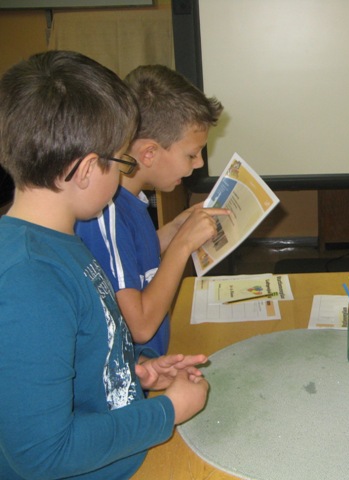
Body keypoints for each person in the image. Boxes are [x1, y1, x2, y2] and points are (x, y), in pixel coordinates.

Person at [0, 50, 209, 479]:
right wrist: (167, 411)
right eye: (119, 162)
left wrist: (135, 373)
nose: (121, 177)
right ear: (84, 170)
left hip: (121, 451)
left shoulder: (61, 240)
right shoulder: (29, 279)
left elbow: (83, 351)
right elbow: (43, 455)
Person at [75, 64, 229, 357]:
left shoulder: (130, 200)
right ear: (149, 153)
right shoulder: (106, 213)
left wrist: (175, 229)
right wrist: (182, 245)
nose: (198, 163)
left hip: (152, 361)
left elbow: (129, 260)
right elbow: (141, 327)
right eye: (191, 154)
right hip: (132, 374)